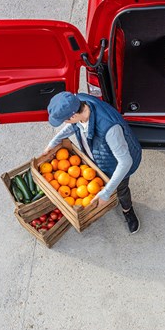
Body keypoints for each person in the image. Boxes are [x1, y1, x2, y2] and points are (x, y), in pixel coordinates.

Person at [43, 91, 142, 234]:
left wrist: (106, 193)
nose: (65, 123)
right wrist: (54, 142)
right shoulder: (79, 102)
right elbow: (73, 126)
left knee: (121, 189)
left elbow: (125, 162)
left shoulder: (109, 128)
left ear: (73, 116)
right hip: (98, 157)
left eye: (65, 120)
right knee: (96, 181)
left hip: (116, 164)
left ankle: (128, 211)